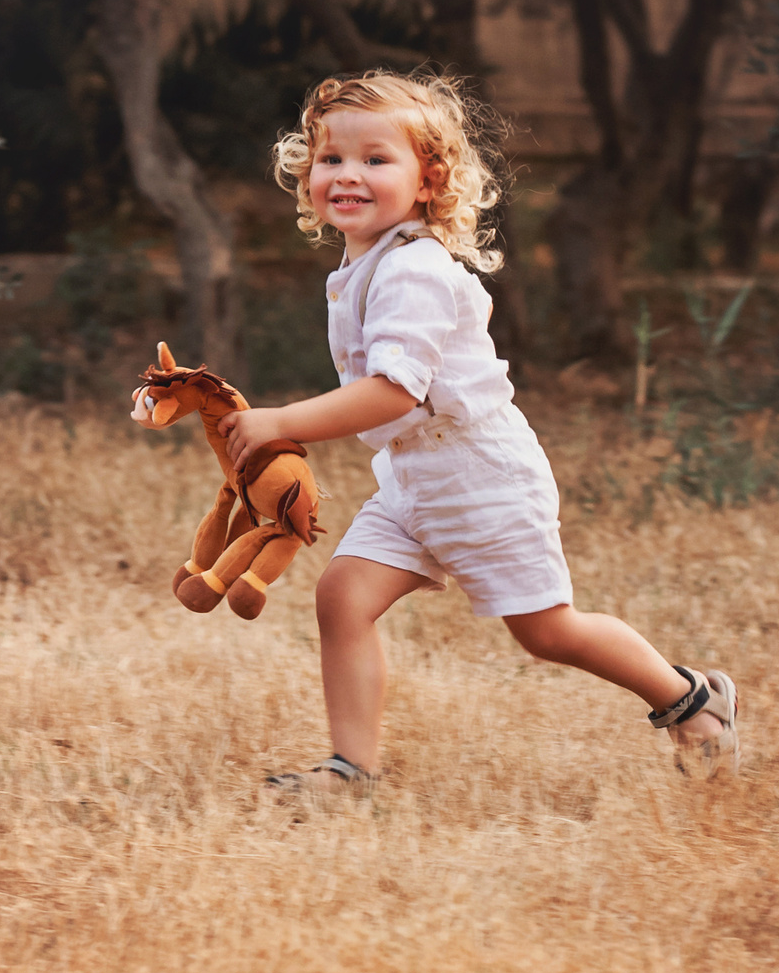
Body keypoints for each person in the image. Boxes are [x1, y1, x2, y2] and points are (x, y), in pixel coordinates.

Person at [218, 71, 740, 788]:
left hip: (481, 476)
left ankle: (691, 699)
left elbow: (394, 391)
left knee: (548, 633)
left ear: (429, 180)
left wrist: (282, 421)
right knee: (343, 595)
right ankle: (350, 770)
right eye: (331, 158)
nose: (347, 174)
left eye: (377, 160)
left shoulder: (415, 270)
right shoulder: (360, 264)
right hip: (413, 478)